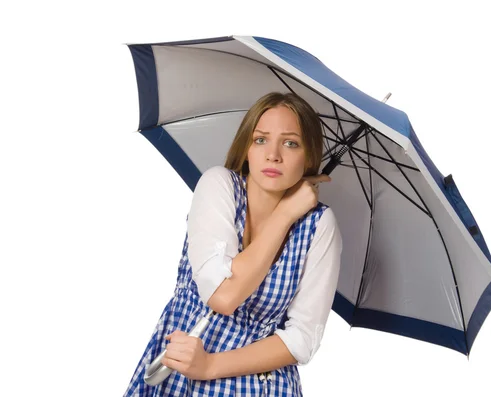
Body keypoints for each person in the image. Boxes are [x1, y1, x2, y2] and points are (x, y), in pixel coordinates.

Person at [124, 92, 343, 396]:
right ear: (246, 148)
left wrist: (210, 366)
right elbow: (223, 297)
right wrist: (285, 215)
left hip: (262, 385)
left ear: (309, 157)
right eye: (261, 140)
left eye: (291, 143)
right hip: (179, 370)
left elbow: (302, 339)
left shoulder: (320, 226)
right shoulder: (219, 185)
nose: (273, 155)